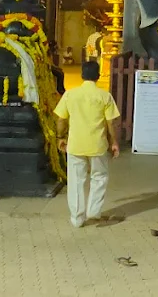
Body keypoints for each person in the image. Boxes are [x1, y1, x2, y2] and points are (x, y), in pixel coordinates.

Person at [53, 60, 120, 228]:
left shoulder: (70, 95)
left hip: (76, 144)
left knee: (76, 180)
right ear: (98, 76)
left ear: (82, 75)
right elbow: (111, 123)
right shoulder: (105, 96)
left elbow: (61, 119)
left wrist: (60, 137)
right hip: (98, 144)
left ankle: (77, 218)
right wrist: (114, 142)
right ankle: (94, 211)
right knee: (99, 177)